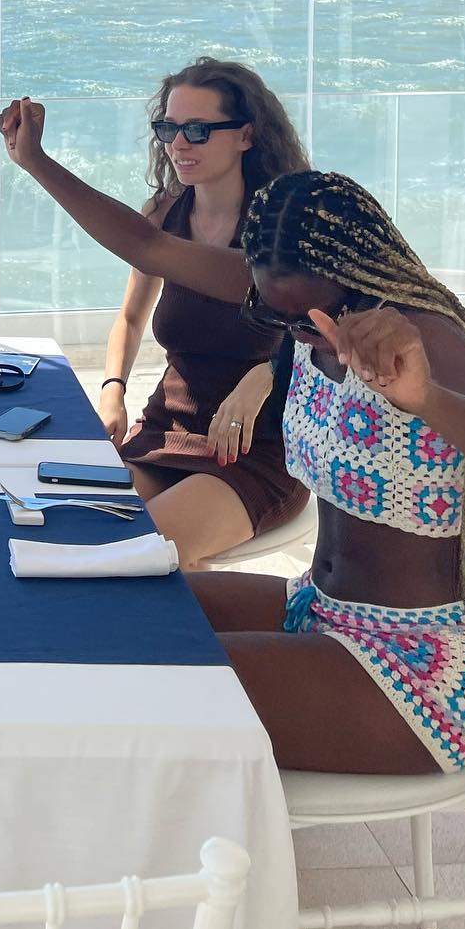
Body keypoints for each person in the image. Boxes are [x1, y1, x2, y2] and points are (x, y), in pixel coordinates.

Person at [0, 98, 465, 859]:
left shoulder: (421, 338)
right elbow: (147, 245)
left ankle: (166, 893)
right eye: (272, 314)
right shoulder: (287, 294)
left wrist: (425, 397)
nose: (289, 331)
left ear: (355, 279)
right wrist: (34, 161)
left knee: (147, 681)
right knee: (105, 606)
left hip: (416, 670)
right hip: (318, 612)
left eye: (303, 318)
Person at [93, 58, 309, 565]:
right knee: (83, 531)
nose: (178, 145)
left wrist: (266, 375)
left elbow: (332, 332)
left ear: (246, 135)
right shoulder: (163, 216)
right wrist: (112, 392)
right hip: (165, 431)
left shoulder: (287, 227)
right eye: (169, 128)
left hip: (256, 448)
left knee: (147, 556)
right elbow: (130, 319)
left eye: (197, 130)